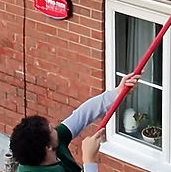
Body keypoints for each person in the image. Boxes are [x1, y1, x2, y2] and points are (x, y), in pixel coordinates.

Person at [10, 73, 139, 172]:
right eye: (51, 129)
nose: (55, 128)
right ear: (48, 148)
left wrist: (117, 93)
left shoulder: (46, 147)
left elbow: (82, 115)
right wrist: (89, 159)